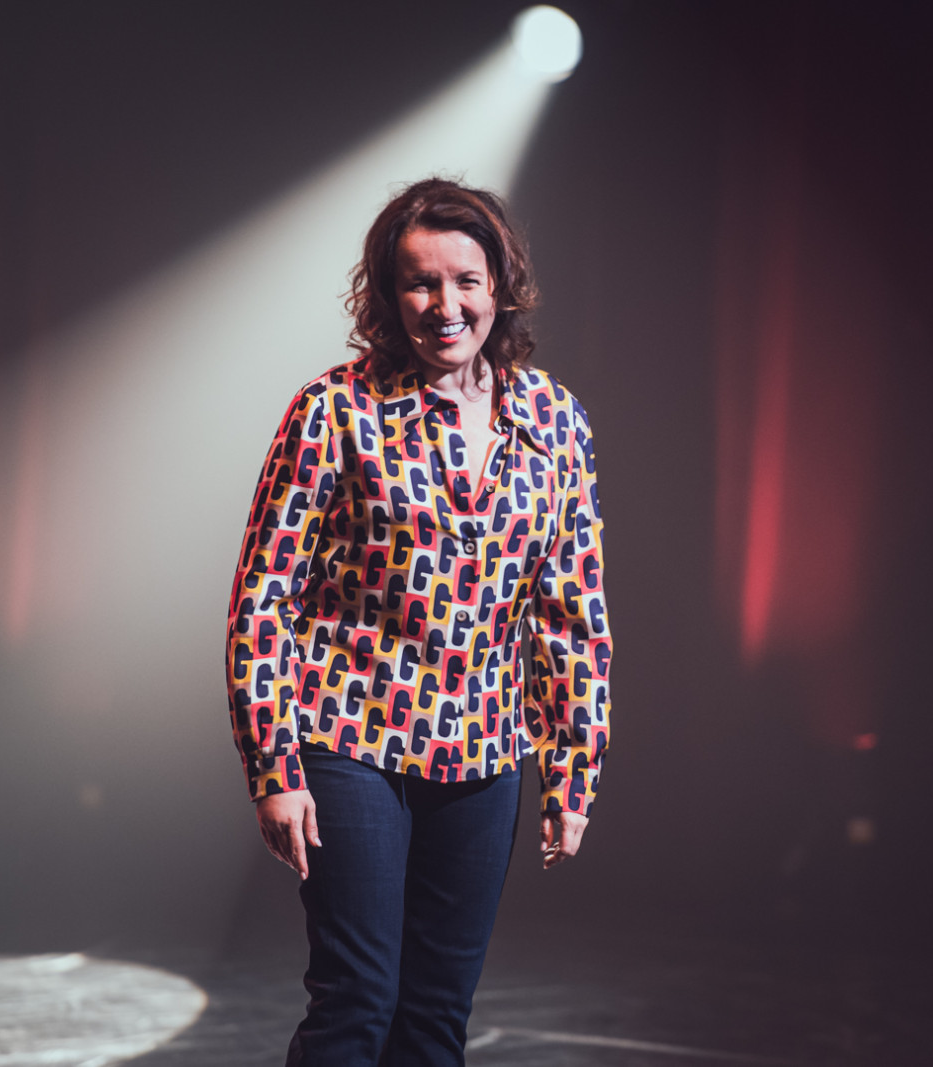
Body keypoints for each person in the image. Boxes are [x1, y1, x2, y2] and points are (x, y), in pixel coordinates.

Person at [224, 177, 612, 1066]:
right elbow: (264, 598)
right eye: (419, 283)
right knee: (358, 998)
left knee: (437, 1016)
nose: (444, 306)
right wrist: (274, 765)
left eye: (465, 281)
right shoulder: (333, 410)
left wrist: (573, 770)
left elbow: (572, 610)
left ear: (500, 288)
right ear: (386, 295)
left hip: (484, 753)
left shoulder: (555, 421)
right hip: (348, 735)